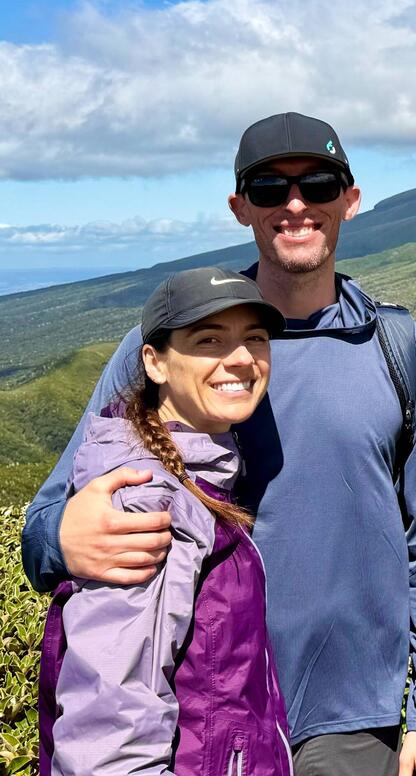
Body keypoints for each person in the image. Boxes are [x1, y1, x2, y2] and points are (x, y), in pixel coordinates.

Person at [24, 113, 416, 776]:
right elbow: (46, 519)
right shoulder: (169, 344)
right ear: (239, 208)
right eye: (268, 189)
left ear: (350, 199)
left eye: (317, 184)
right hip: (202, 711)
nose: (295, 205)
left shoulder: (400, 349)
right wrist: (60, 538)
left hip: (349, 718)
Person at [39, 268, 291, 775]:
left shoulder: (198, 471)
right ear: (154, 363)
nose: (240, 358)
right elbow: (110, 729)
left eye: (255, 339)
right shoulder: (147, 500)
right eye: (209, 340)